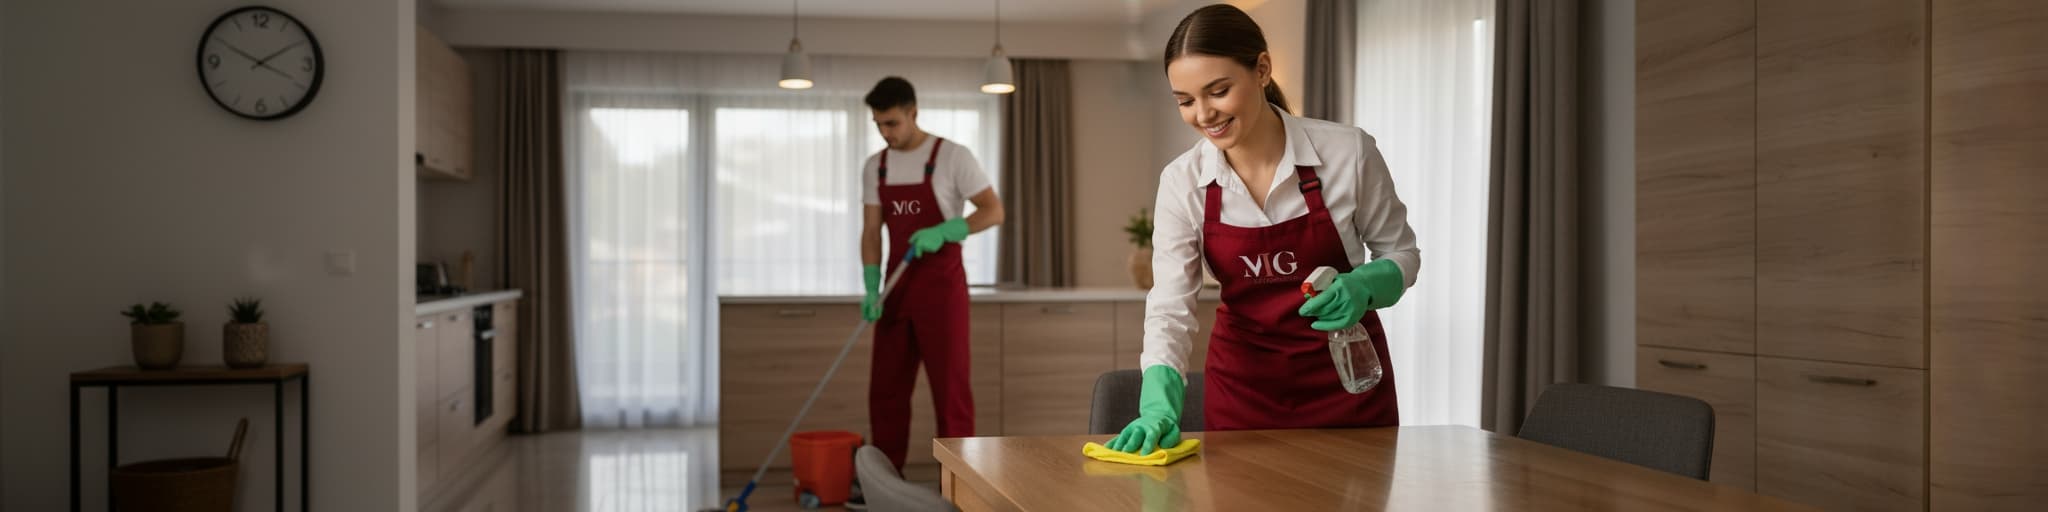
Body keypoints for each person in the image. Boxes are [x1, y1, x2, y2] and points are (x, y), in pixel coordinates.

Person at [1107, 4, 1421, 456]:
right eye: (1185, 101)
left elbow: (1403, 254)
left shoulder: (1347, 153)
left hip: (1348, 386)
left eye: (1218, 91)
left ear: (1262, 69)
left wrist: (1366, 285)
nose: (1203, 114)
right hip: (1243, 395)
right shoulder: (1183, 183)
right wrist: (1158, 405)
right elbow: (1170, 306)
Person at [858, 76, 1005, 470]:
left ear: (913, 113)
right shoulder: (877, 167)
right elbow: (872, 231)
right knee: (885, 392)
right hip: (895, 290)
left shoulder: (952, 156)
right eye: (878, 124)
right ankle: (885, 481)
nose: (885, 132)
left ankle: (959, 481)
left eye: (892, 123)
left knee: (951, 393)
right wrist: (871, 285)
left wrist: (951, 229)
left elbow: (994, 210)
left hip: (941, 292)